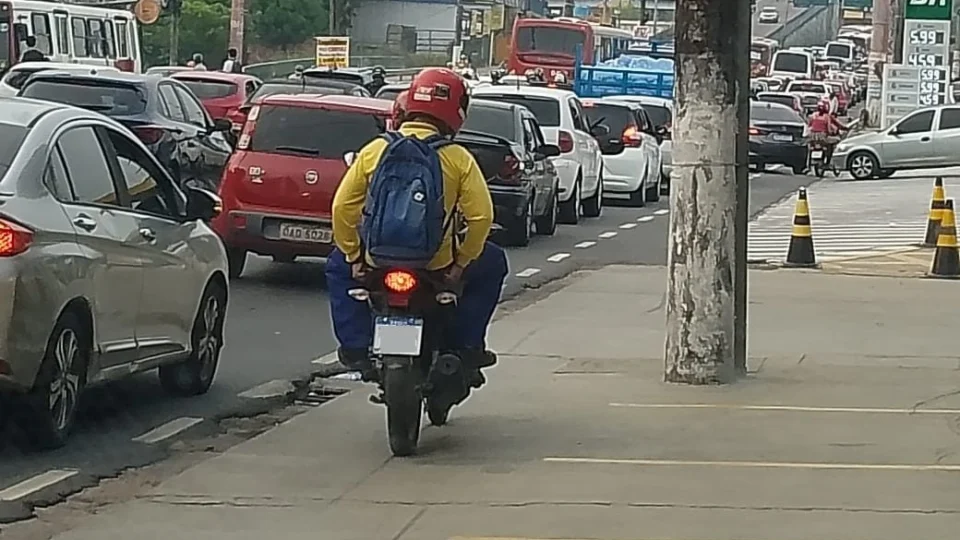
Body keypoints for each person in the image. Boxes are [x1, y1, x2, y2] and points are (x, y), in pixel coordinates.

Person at [326, 68, 508, 387]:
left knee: (336, 267)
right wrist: (460, 263)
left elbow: (342, 207)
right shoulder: (458, 158)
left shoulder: (375, 149)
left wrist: (354, 256)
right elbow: (481, 218)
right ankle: (466, 346)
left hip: (375, 259)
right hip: (436, 264)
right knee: (493, 264)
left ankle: (355, 347)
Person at [808, 99, 849, 166]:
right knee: (836, 141)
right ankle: (828, 161)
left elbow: (809, 126)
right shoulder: (827, 117)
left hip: (813, 138)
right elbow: (830, 128)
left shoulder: (813, 115)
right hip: (823, 138)